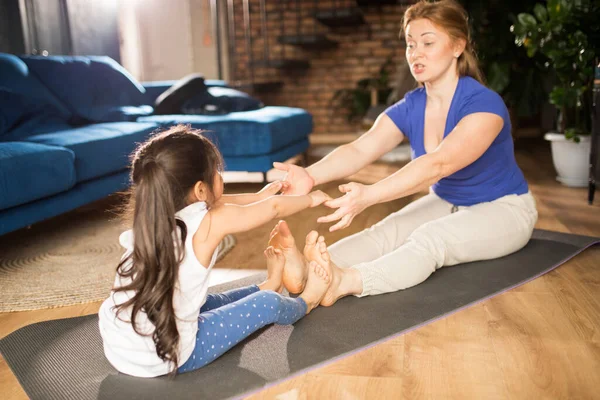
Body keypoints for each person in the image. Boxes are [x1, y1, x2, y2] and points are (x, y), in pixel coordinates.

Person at [269, 0, 539, 306]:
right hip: (448, 201)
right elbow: (360, 148)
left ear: (457, 46)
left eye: (427, 42)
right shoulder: (412, 105)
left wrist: (369, 195)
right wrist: (309, 174)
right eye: (411, 44)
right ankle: (308, 271)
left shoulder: (484, 105)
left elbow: (437, 165)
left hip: (504, 209)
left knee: (431, 239)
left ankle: (345, 281)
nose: (416, 53)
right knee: (386, 231)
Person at [98, 125, 332, 378]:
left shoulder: (153, 218)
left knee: (205, 301)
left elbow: (224, 202)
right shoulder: (208, 223)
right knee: (268, 305)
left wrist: (258, 195)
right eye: (217, 172)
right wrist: (310, 199)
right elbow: (273, 209)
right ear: (200, 190)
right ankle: (306, 301)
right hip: (171, 356)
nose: (221, 176)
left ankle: (269, 283)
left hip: (121, 347)